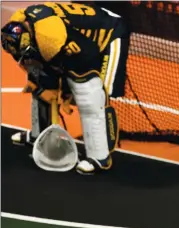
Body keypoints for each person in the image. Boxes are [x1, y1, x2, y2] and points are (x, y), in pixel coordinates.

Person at [1, 2, 129, 174]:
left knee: (90, 96)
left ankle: (100, 158)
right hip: (72, 42)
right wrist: (42, 85)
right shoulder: (22, 23)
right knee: (42, 87)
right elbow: (37, 61)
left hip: (108, 35)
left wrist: (66, 92)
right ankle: (39, 137)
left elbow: (86, 57)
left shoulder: (51, 38)